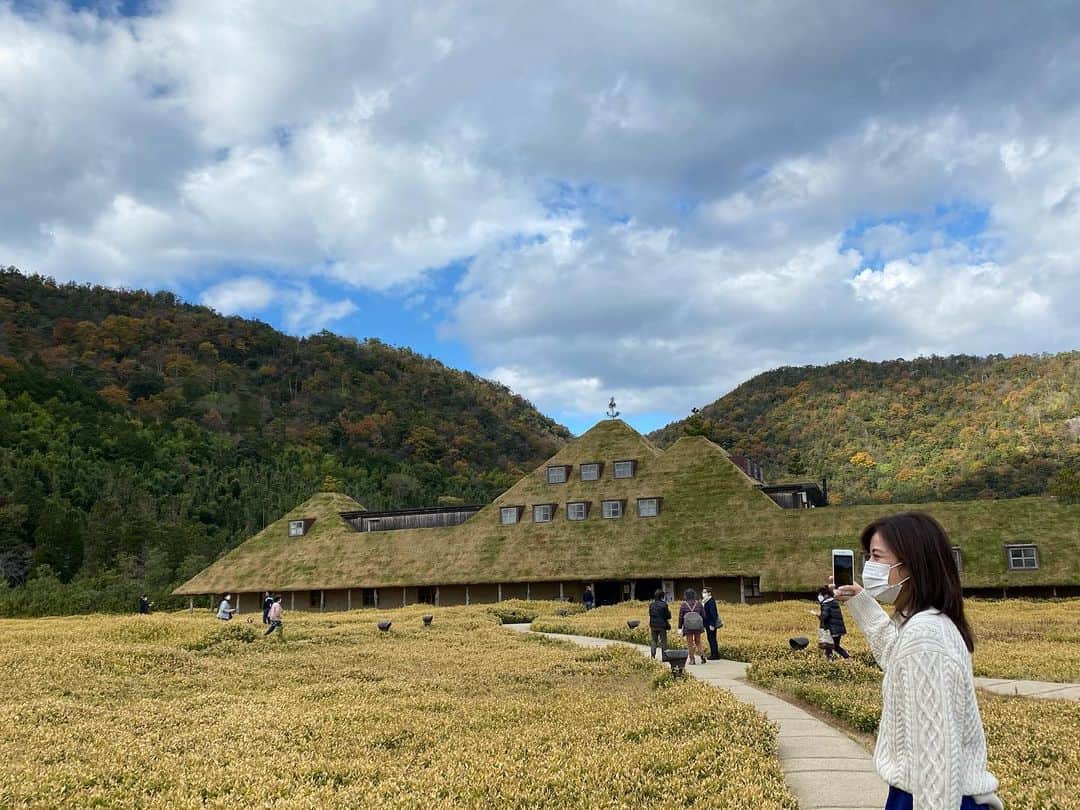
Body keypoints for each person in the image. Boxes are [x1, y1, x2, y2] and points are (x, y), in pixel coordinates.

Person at [833, 512, 1002, 810]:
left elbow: (936, 758)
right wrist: (859, 600)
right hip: (929, 794)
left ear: (910, 564)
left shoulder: (926, 636)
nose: (869, 566)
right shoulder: (924, 624)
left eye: (876, 556)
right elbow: (895, 655)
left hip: (931, 797)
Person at [817, 586, 849, 660]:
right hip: (838, 629)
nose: (819, 596)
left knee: (830, 646)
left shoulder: (826, 603)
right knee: (834, 646)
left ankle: (847, 658)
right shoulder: (834, 601)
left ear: (824, 594)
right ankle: (848, 659)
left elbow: (824, 617)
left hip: (831, 629)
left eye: (820, 594)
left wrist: (817, 615)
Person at [677, 588, 706, 665]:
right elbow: (704, 615)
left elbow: (680, 617)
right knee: (698, 641)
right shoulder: (699, 604)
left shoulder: (683, 604)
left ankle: (692, 660)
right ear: (694, 595)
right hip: (698, 627)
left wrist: (679, 627)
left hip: (688, 627)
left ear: (686, 596)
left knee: (690, 643)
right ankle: (702, 656)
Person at [647, 589, 671, 659]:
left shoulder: (651, 605)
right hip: (662, 625)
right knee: (663, 641)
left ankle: (652, 656)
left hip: (653, 625)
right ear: (662, 596)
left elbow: (650, 614)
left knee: (654, 640)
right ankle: (664, 657)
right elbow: (668, 616)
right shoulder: (664, 604)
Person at [702, 587, 722, 660]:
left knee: (712, 639)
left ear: (709, 593)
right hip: (707, 623)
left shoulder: (711, 601)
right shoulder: (705, 601)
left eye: (705, 592)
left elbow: (713, 614)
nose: (703, 594)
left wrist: (712, 624)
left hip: (711, 624)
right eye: (703, 592)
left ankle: (715, 654)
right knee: (710, 638)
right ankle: (713, 653)